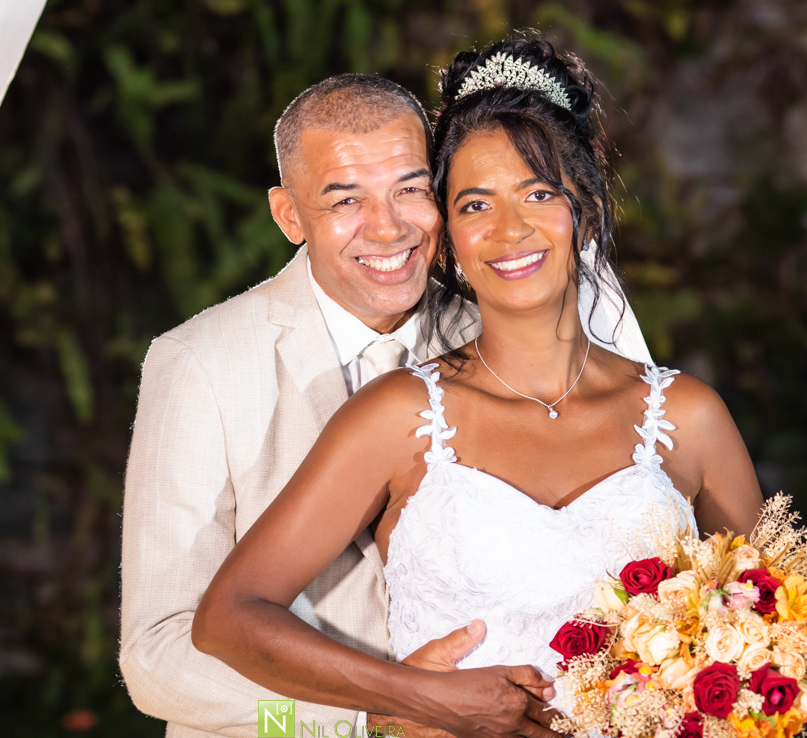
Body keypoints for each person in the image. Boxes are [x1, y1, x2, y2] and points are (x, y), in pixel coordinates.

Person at [191, 36, 765, 737]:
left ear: (581, 207)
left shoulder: (690, 415)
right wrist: (413, 697)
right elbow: (229, 616)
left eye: (538, 192)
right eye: (473, 205)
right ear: (446, 234)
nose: (509, 230)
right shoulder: (399, 414)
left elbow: (774, 644)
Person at [122, 73, 620, 738]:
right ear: (289, 215)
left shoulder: (505, 339)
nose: (388, 228)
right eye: (345, 200)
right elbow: (157, 653)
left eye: (411, 190)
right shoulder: (201, 363)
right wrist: (367, 716)